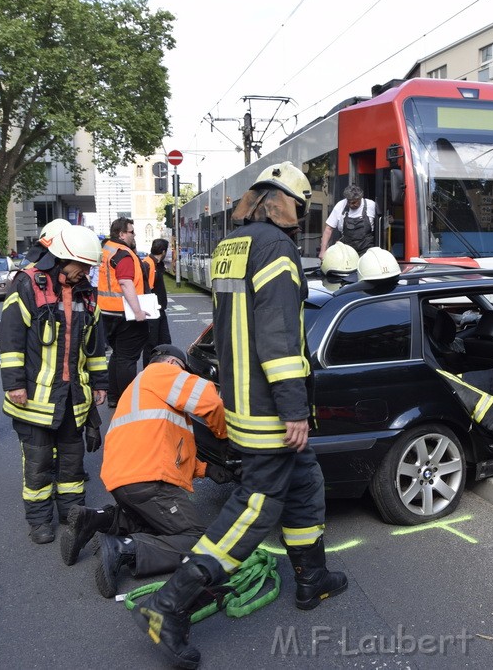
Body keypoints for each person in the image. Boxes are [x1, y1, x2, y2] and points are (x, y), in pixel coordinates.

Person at [129, 162, 347, 669]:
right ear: (280, 201)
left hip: (243, 397)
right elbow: (277, 336)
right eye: (298, 202)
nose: (301, 213)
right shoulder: (278, 249)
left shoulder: (235, 244)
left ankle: (311, 580)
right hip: (270, 408)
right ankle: (170, 604)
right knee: (255, 508)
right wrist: (295, 408)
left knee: (305, 482)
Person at [58, 345, 231, 597]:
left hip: (125, 480)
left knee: (153, 525)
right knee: (195, 539)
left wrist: (206, 470)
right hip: (149, 480)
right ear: (173, 363)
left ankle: (94, 519)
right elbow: (211, 402)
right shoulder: (163, 373)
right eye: (185, 370)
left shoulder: (139, 389)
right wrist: (226, 438)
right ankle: (124, 548)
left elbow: (166, 448)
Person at [0, 225, 109, 544]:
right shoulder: (27, 284)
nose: (86, 273)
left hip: (73, 399)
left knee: (73, 466)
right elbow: (11, 339)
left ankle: (72, 514)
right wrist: (14, 384)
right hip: (33, 398)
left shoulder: (86, 293)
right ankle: (39, 521)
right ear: (62, 258)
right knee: (38, 465)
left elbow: (95, 343)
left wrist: (100, 382)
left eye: (89, 267)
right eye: (82, 266)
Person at [98, 217, 151, 408]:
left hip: (108, 311)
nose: (134, 234)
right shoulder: (123, 254)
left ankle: (114, 395)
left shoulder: (106, 250)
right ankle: (128, 401)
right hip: (125, 313)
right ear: (121, 233)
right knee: (127, 359)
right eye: (131, 232)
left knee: (118, 355)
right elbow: (125, 282)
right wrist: (138, 311)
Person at [319, 184, 377, 257]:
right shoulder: (340, 206)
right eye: (349, 202)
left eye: (354, 202)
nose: (351, 205)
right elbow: (328, 229)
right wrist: (323, 251)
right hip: (347, 252)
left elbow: (382, 224)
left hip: (367, 252)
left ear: (360, 198)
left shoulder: (371, 205)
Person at [140, 238, 172, 367]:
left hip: (159, 309)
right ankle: (148, 370)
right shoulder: (148, 264)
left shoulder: (157, 264)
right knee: (151, 343)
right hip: (152, 309)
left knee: (165, 341)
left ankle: (162, 368)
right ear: (163, 251)